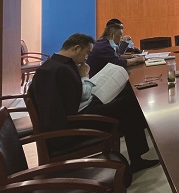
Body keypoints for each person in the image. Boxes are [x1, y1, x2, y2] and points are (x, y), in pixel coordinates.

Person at [29, 33, 160, 173]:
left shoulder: (55, 64)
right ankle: (137, 157)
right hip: (75, 125)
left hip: (76, 115)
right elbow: (80, 99)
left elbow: (72, 98)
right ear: (76, 48)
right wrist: (85, 76)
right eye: (87, 53)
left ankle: (138, 151)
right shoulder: (62, 70)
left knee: (127, 94)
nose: (87, 57)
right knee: (129, 104)